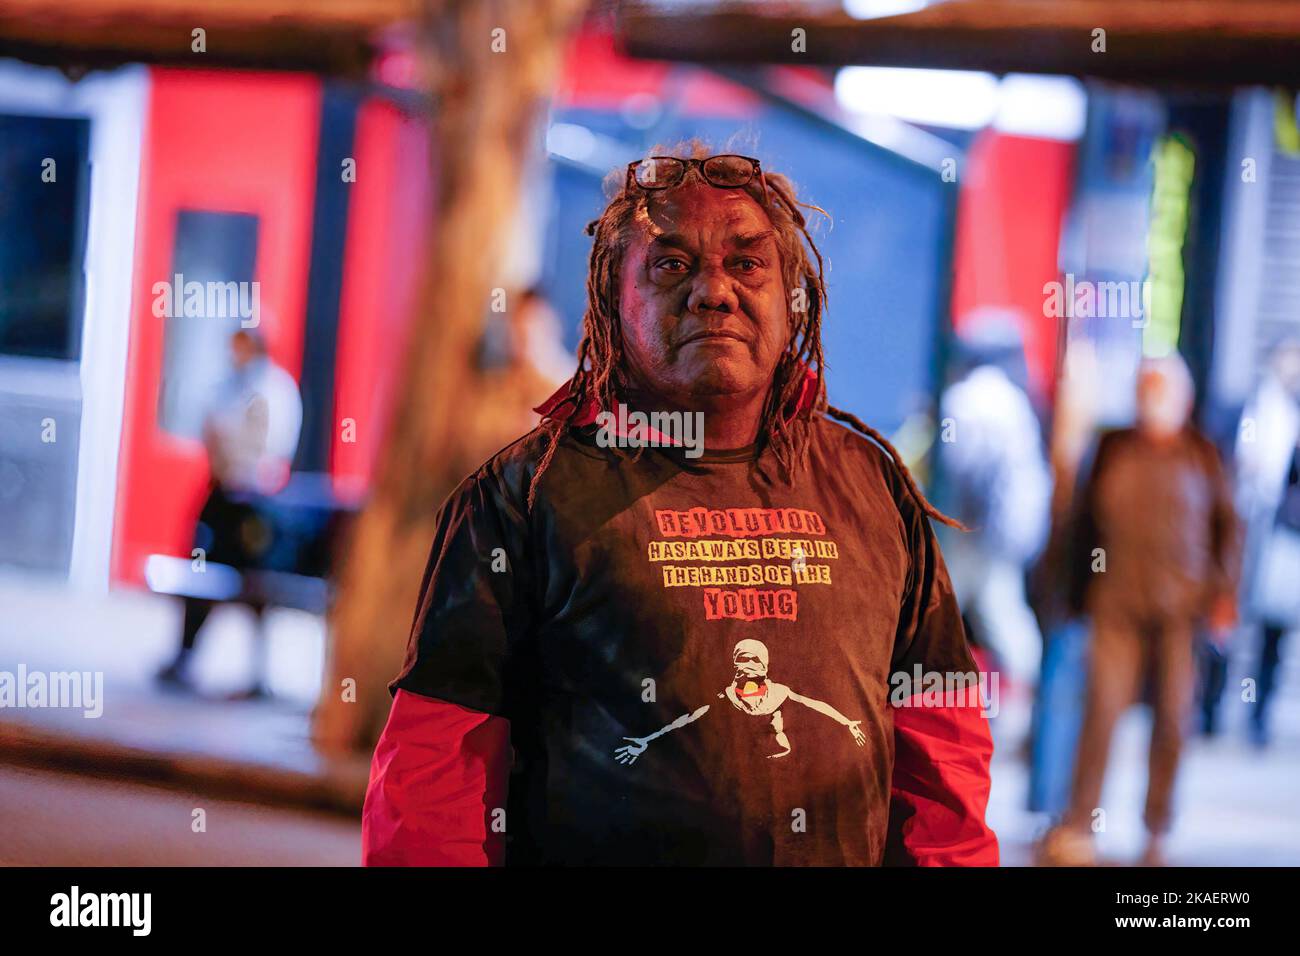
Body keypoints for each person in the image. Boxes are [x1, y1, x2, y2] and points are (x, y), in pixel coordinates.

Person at [362, 147, 998, 866]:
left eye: (747, 263)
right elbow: (437, 766)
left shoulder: (872, 485)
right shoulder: (525, 496)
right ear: (612, 300)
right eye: (671, 265)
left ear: (794, 299)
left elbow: (942, 743)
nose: (713, 292)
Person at [1040, 354, 1239, 866]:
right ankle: (1080, 824)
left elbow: (1228, 529)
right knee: (1101, 711)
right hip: (1115, 605)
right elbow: (1080, 524)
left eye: (1161, 389)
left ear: (1184, 400)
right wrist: (1069, 592)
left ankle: (1156, 830)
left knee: (1174, 718)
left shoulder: (1203, 455)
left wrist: (1223, 596)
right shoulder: (1111, 448)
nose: (1151, 399)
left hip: (1181, 610)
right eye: (1144, 388)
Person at [156, 328, 303, 695]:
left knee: (255, 584)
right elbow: (210, 427)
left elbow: (269, 447)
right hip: (221, 496)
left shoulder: (276, 390)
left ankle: (258, 672)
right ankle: (186, 655)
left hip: (255, 504)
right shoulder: (227, 386)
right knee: (200, 574)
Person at [1215, 339, 1300, 746]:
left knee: (1272, 627)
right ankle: (1209, 709)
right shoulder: (1247, 408)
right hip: (1241, 523)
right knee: (1224, 617)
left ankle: (1257, 715)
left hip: (1281, 533)